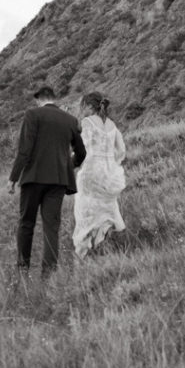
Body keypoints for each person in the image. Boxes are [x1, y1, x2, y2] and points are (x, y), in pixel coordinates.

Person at [9, 84, 86, 280]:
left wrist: (13, 178)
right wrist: (69, 165)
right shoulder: (69, 119)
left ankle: (23, 270)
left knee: (26, 223)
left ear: (39, 99)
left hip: (33, 178)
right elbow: (81, 152)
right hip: (58, 180)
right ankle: (48, 275)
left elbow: (24, 149)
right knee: (51, 227)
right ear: (54, 97)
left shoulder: (32, 115)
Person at [72, 91, 126, 259]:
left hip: (91, 172)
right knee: (106, 210)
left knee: (86, 211)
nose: (82, 111)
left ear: (90, 106)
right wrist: (111, 162)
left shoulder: (87, 122)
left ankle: (84, 252)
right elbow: (121, 150)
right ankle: (104, 248)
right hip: (110, 175)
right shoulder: (112, 125)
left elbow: (82, 149)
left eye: (83, 107)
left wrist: (71, 162)